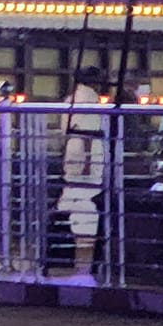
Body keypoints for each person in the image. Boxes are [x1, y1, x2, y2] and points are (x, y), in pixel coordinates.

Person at [56, 65, 108, 277]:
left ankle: (75, 245)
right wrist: (88, 160)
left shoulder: (70, 99)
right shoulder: (90, 99)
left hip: (71, 150)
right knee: (88, 200)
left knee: (73, 193)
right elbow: (89, 131)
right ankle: (84, 256)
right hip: (87, 153)